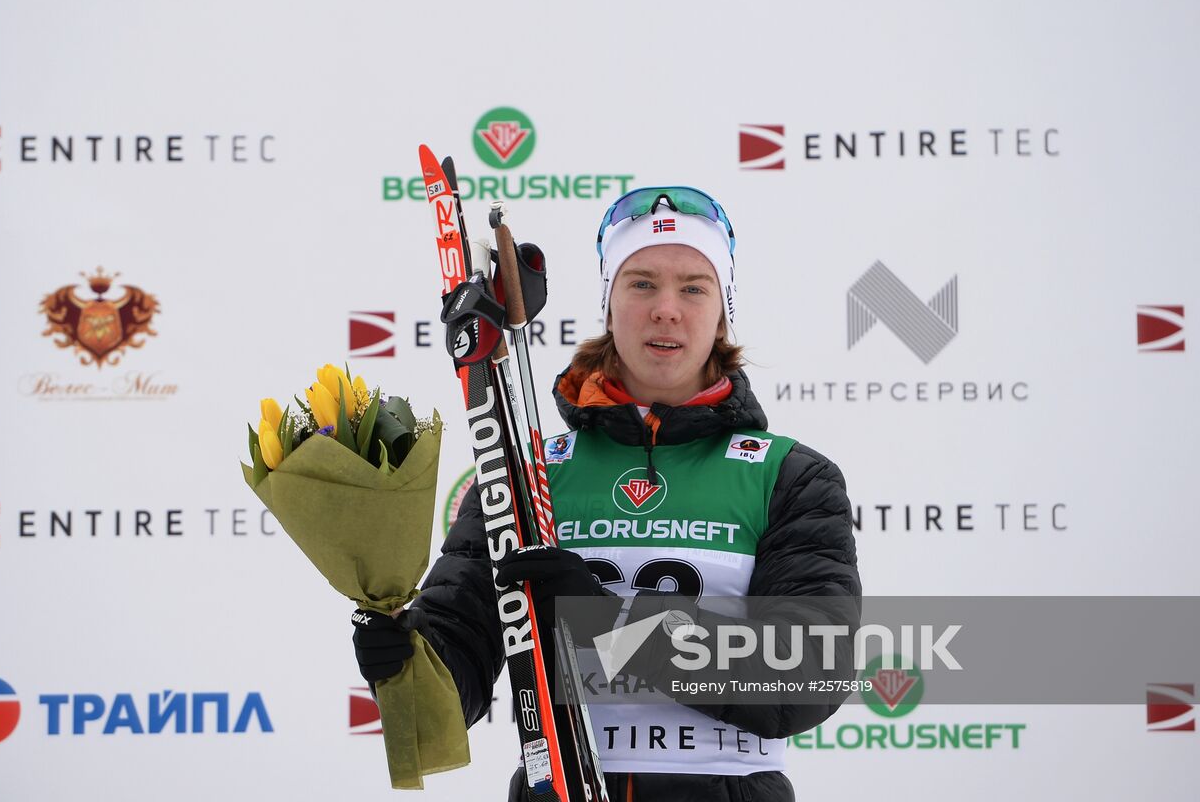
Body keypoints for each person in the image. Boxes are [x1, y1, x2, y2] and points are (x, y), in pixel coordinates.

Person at [353, 186, 861, 801]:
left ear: (722, 310)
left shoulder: (789, 477)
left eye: (693, 288)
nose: (665, 309)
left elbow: (806, 672)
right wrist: (405, 659)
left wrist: (613, 626)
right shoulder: (526, 472)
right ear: (609, 304)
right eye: (641, 283)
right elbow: (459, 663)